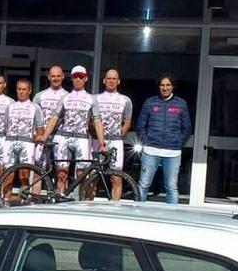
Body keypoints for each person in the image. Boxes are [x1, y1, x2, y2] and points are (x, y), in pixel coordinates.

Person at [43, 65, 107, 194]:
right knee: (62, 174)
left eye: (81, 77)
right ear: (71, 79)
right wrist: (45, 136)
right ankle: (59, 201)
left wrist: (101, 143)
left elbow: (97, 121)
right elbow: (54, 118)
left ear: (86, 78)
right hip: (63, 138)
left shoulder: (91, 98)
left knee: (82, 174)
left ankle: (82, 204)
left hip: (82, 138)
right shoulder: (65, 98)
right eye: (75, 77)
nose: (78, 79)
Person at [136, 73, 192, 204]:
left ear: (173, 87)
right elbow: (140, 125)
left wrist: (178, 142)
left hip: (172, 152)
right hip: (150, 151)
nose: (165, 88)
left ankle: (172, 220)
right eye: (162, 85)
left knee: (171, 188)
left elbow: (187, 128)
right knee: (143, 185)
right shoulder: (150, 103)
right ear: (158, 86)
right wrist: (147, 140)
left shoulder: (181, 104)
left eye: (168, 85)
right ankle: (137, 214)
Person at [0, 78, 44, 201]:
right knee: (8, 172)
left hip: (27, 142)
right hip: (10, 141)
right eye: (19, 89)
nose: (21, 92)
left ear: (29, 91)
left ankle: (24, 198)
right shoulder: (11, 106)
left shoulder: (35, 107)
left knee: (24, 173)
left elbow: (40, 130)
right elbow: (5, 127)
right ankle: (6, 199)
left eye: (24, 89)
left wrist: (36, 139)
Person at [95, 69, 134, 200]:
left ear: (118, 81)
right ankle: (87, 205)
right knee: (93, 176)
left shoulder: (125, 100)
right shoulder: (96, 98)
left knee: (116, 178)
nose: (111, 81)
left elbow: (127, 122)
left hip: (116, 141)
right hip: (97, 140)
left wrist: (119, 135)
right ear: (104, 80)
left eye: (114, 79)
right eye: (109, 78)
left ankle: (115, 207)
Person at [33, 65, 69, 165]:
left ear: (62, 77)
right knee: (39, 169)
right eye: (53, 76)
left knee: (61, 171)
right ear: (49, 77)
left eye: (58, 76)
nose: (56, 79)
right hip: (42, 135)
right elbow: (33, 117)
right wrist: (36, 134)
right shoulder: (39, 96)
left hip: (60, 135)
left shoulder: (68, 96)